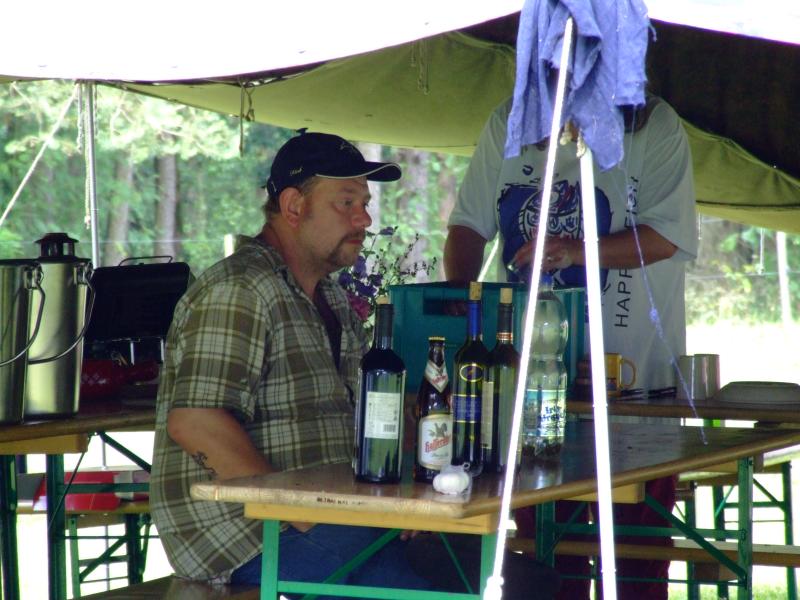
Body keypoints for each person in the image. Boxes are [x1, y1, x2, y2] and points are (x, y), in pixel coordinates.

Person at [149, 131, 431, 594]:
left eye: (364, 203)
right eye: (347, 202)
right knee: (432, 580)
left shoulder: (331, 298)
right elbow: (196, 422)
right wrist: (304, 514)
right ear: (294, 206)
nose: (364, 218)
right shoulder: (241, 288)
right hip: (245, 535)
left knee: (475, 560)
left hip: (323, 516)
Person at [443, 95, 698, 600]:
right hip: (535, 385)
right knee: (548, 550)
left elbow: (666, 237)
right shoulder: (508, 118)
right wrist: (459, 295)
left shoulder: (654, 125)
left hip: (632, 386)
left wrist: (574, 251)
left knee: (636, 552)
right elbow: (468, 224)